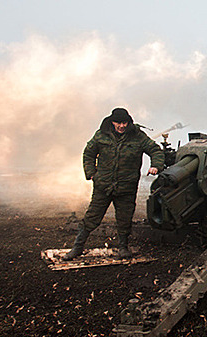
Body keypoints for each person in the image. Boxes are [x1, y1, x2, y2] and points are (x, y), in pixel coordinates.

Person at [64, 108, 164, 260]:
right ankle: (77, 247)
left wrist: (156, 165)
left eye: (125, 123)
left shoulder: (137, 136)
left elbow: (155, 150)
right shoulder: (101, 135)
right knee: (92, 217)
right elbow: (89, 153)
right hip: (103, 185)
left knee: (124, 219)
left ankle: (123, 247)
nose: (122, 126)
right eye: (119, 123)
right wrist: (91, 173)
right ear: (112, 122)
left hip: (126, 187)